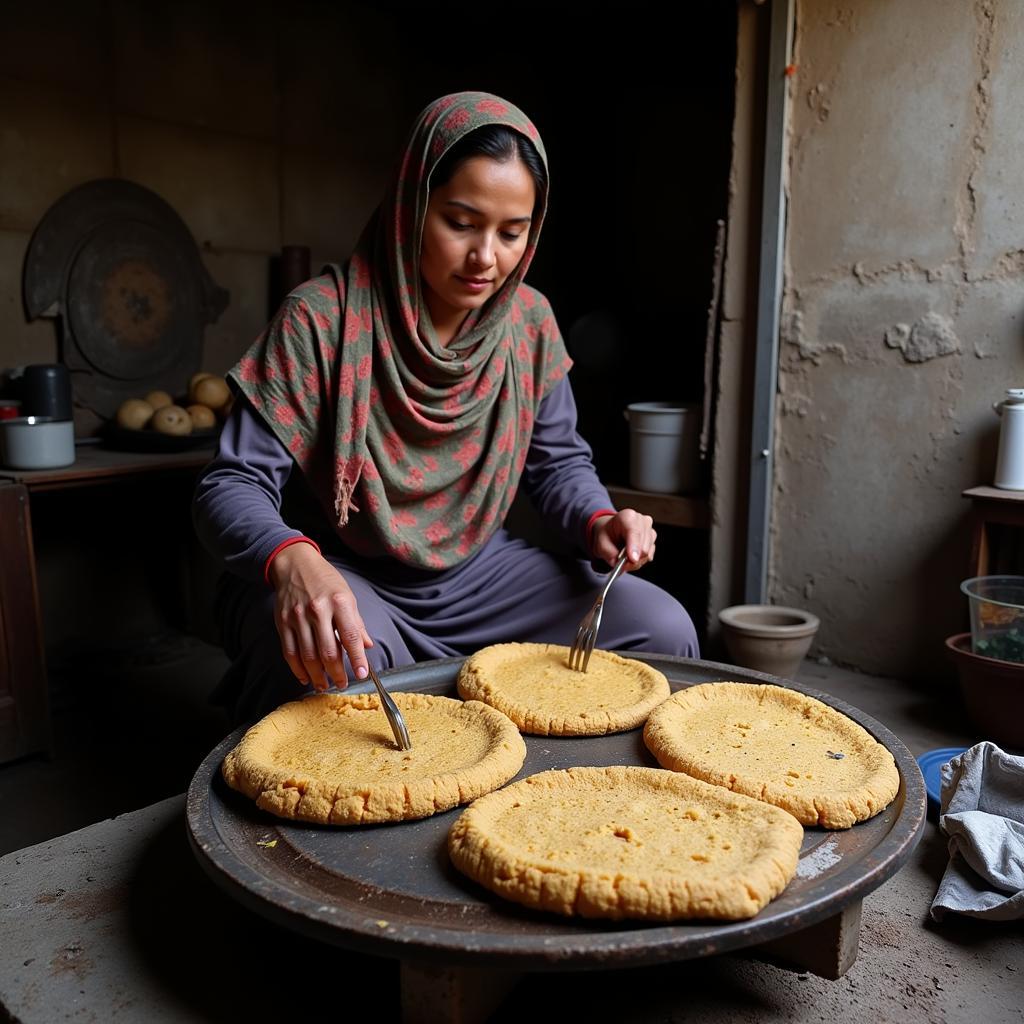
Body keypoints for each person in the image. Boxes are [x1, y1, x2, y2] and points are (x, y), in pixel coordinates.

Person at [193, 91, 699, 726]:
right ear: (412, 207)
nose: (487, 256)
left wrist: (598, 520)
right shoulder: (321, 321)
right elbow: (230, 485)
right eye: (461, 222)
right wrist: (291, 561)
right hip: (346, 575)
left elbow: (558, 464)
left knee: (660, 630)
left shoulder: (529, 325)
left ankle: (565, 807)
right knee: (346, 672)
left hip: (482, 579)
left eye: (512, 233)